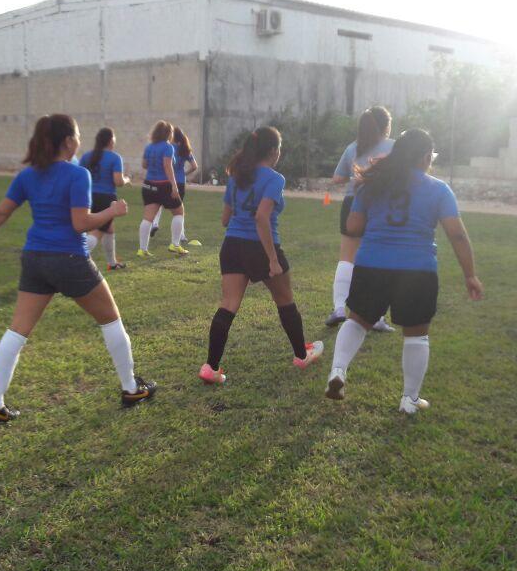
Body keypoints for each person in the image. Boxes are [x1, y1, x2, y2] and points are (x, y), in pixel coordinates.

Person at [0, 114, 157, 428]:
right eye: (76, 135)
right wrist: (112, 211)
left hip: (35, 258)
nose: (79, 140)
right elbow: (80, 223)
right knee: (111, 320)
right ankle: (131, 389)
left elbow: (0, 212)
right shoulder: (78, 175)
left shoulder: (28, 175)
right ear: (67, 141)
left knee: (17, 331)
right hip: (69, 259)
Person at [324, 129, 483, 414]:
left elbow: (353, 227)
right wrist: (470, 274)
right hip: (417, 270)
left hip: (372, 263)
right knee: (416, 334)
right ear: (425, 157)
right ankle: (409, 399)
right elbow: (457, 235)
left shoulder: (372, 184)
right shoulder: (438, 189)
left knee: (357, 320)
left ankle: (338, 370)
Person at [200, 127, 324, 385]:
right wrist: (273, 259)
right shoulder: (275, 179)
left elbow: (225, 219)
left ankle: (210, 367)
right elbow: (261, 217)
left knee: (229, 303)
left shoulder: (236, 176)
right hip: (259, 247)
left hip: (232, 245)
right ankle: (302, 355)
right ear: (273, 151)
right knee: (285, 299)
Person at [326, 106, 396, 333]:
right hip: (380, 206)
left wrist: (350, 174)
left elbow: (337, 178)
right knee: (378, 259)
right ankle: (375, 317)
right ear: (386, 126)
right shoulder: (394, 147)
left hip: (352, 204)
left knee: (347, 258)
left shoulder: (352, 147)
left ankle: (338, 308)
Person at [79, 127, 131, 270]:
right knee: (98, 232)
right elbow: (118, 181)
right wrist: (126, 179)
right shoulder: (115, 157)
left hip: (87, 197)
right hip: (106, 199)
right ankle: (75, 257)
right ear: (110, 140)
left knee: (109, 230)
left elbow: (79, 177)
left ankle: (112, 263)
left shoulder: (86, 156)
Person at [138, 120, 187, 257]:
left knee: (148, 218)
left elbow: (144, 164)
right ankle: (175, 245)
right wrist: (174, 186)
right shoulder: (168, 147)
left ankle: (142, 249)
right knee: (179, 212)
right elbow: (167, 166)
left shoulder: (149, 147)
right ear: (168, 133)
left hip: (148, 185)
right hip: (163, 184)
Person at [151, 127, 201, 246]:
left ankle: (155, 224)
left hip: (166, 180)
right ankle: (181, 236)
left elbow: (164, 164)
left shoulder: (169, 147)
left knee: (158, 203)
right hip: (180, 182)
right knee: (179, 210)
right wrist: (184, 173)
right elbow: (195, 166)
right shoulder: (186, 149)